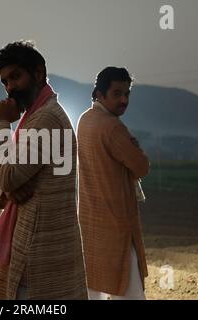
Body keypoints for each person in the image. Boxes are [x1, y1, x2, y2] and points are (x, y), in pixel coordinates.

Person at [0, 40, 88, 300]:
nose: (10, 88)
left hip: (41, 249)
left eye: (15, 77)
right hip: (37, 240)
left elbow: (7, 175)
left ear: (39, 72)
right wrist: (11, 188)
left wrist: (0, 123)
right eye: (5, 81)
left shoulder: (46, 118)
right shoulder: (35, 116)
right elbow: (9, 176)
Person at [77, 66, 150, 300]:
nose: (124, 100)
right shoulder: (113, 126)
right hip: (116, 223)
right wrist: (135, 148)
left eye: (127, 93)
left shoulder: (85, 119)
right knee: (129, 291)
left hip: (89, 220)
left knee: (91, 288)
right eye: (117, 93)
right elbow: (141, 167)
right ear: (99, 94)